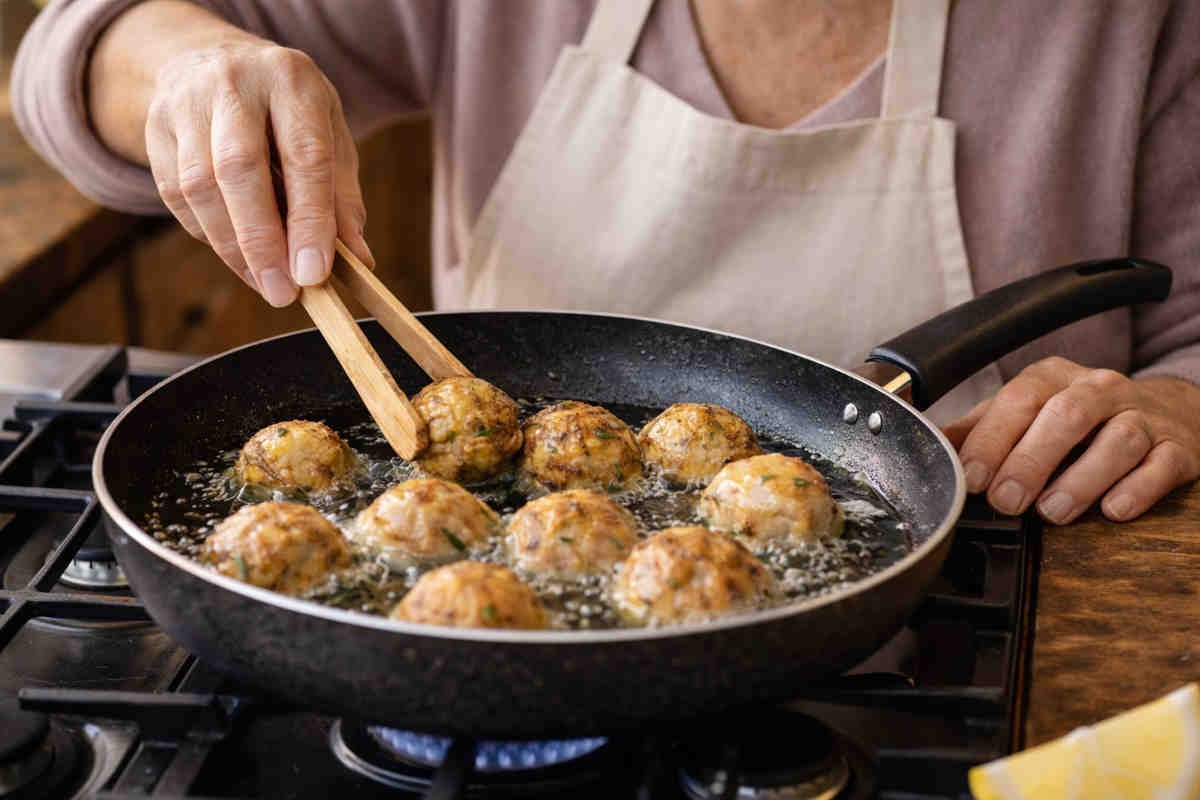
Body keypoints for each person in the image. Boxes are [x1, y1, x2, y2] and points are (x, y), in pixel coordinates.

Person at [13, 0, 1200, 526]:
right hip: (480, 650)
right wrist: (190, 68)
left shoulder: (1129, 18)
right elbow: (75, 47)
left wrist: (1177, 401)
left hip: (995, 609)